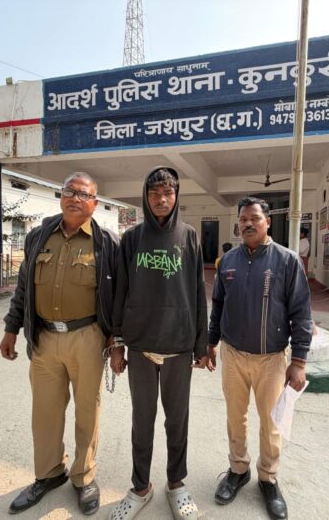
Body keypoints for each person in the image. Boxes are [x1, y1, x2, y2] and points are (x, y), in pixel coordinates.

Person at [0, 172, 119, 516]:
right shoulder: (38, 236)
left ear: (95, 203)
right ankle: (49, 473)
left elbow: (118, 295)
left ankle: (84, 476)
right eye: (70, 191)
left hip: (88, 337)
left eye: (84, 194)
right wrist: (11, 327)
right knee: (45, 413)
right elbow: (24, 287)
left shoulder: (107, 242)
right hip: (44, 338)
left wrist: (117, 341)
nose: (75, 198)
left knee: (87, 411)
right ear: (61, 195)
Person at [108, 166, 210, 520]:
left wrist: (201, 344)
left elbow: (198, 292)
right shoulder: (132, 239)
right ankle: (140, 487)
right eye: (154, 194)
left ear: (176, 195)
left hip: (179, 345)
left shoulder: (190, 236)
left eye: (167, 193)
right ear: (146, 198)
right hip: (140, 346)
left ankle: (176, 484)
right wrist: (117, 343)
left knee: (176, 421)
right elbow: (120, 292)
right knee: (142, 420)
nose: (161, 200)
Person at [207, 196, 312, 520]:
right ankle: (238, 470)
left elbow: (301, 312)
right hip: (233, 355)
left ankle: (268, 478)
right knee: (235, 417)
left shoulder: (287, 261)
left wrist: (299, 361)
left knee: (271, 423)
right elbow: (218, 305)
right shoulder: (227, 261)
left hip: (271, 360)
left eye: (254, 218)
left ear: (267, 222)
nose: (247, 224)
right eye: (242, 219)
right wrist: (210, 342)